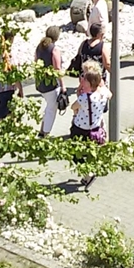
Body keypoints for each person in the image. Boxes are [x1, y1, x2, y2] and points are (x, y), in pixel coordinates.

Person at [70, 59, 111, 188]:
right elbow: (109, 94)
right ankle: (87, 176)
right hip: (94, 127)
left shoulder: (85, 97)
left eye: (85, 79)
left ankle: (88, 174)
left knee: (75, 153)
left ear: (90, 82)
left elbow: (73, 107)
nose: (83, 80)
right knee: (88, 152)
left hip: (80, 128)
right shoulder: (103, 94)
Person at [34, 24, 63, 138]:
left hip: (41, 83)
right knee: (51, 109)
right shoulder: (54, 49)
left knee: (48, 106)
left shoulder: (39, 47)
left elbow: (36, 62)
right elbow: (57, 69)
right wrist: (63, 86)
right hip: (51, 84)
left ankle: (42, 130)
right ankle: (46, 133)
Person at [0, 29, 23, 126]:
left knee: (9, 110)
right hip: (6, 88)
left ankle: (12, 127)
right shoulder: (10, 54)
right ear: (11, 39)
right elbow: (14, 74)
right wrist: (20, 89)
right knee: (1, 113)